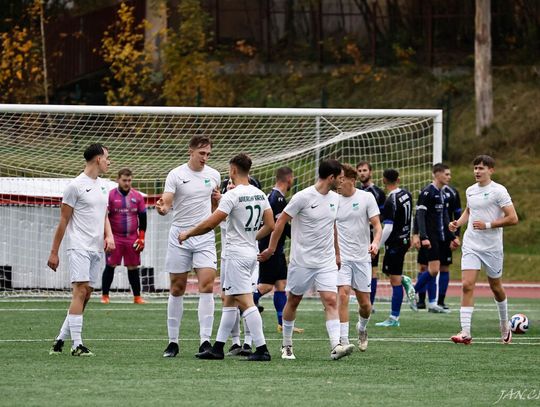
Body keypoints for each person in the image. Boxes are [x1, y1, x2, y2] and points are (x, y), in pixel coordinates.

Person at [180, 153, 275, 361]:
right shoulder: (259, 194)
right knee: (230, 300)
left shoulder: (232, 195)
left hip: (236, 255)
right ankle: (218, 347)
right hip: (251, 253)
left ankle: (262, 349)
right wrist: (252, 237)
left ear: (233, 170)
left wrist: (188, 233)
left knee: (246, 302)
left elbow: (210, 223)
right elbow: (271, 224)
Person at [259, 159, 354, 361]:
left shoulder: (335, 199)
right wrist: (271, 249)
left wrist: (337, 253)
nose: (342, 181)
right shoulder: (302, 197)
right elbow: (281, 221)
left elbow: (333, 226)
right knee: (293, 301)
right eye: (340, 178)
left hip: (326, 261)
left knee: (330, 299)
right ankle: (286, 345)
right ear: (331, 177)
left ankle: (335, 346)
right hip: (302, 261)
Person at [156, 135, 221, 358]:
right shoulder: (176, 174)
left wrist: (217, 201)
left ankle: (205, 341)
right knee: (177, 288)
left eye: (208, 154)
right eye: (202, 153)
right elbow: (167, 199)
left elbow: (214, 205)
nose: (205, 158)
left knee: (207, 285)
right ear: (191, 151)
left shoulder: (214, 175)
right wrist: (163, 208)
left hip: (204, 236)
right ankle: (173, 342)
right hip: (179, 236)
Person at [48, 143, 115, 356]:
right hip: (78, 246)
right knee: (80, 291)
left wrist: (109, 235)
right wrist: (54, 252)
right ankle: (77, 345)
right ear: (97, 159)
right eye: (107, 157)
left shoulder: (104, 186)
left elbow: (103, 215)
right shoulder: (74, 186)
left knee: (86, 295)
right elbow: (63, 220)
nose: (109, 161)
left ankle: (60, 339)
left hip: (96, 249)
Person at [449, 155, 518, 345]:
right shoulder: (470, 190)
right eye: (475, 168)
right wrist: (457, 223)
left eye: (481, 168)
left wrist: (488, 224)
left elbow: (513, 218)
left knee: (495, 287)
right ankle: (465, 332)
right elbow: (469, 211)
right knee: (466, 284)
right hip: (471, 244)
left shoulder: (499, 191)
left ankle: (505, 324)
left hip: (492, 247)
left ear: (491, 170)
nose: (477, 172)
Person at [336, 164, 382, 351]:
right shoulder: (333, 200)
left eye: (341, 179)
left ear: (351, 180)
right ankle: (343, 340)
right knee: (343, 294)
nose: (338, 183)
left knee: (365, 305)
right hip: (342, 259)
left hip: (362, 258)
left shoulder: (366, 197)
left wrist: (376, 243)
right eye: (337, 179)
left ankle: (362, 328)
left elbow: (377, 226)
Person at [253, 166, 303, 334]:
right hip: (271, 249)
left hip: (276, 249)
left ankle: (282, 323)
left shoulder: (274, 196)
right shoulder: (278, 199)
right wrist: (270, 248)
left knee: (281, 284)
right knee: (266, 286)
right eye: (292, 178)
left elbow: (283, 225)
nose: (293, 181)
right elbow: (277, 226)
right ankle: (243, 305)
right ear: (288, 179)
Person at [412, 163, 459, 314]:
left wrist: (452, 236)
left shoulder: (441, 193)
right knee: (432, 270)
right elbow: (420, 215)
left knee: (435, 270)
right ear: (437, 174)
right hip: (430, 237)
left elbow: (445, 218)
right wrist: (422, 236)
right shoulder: (427, 192)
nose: (449, 177)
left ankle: (431, 303)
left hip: (441, 237)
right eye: (446, 174)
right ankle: (412, 292)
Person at [101, 168, 147, 304]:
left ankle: (137, 297)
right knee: (111, 265)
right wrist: (106, 236)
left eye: (129, 180)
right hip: (115, 237)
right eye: (124, 180)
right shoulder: (110, 196)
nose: (127, 183)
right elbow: (104, 217)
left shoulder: (137, 196)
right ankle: (105, 296)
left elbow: (143, 218)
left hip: (132, 237)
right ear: (118, 180)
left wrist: (142, 237)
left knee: (133, 267)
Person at [375, 169, 413, 327]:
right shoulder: (406, 194)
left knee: (394, 280)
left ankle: (394, 318)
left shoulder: (391, 201)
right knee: (388, 271)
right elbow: (410, 217)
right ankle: (403, 278)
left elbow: (388, 228)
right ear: (398, 179)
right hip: (404, 240)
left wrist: (377, 244)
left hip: (395, 243)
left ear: (384, 180)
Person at [356, 161, 386, 310]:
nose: (362, 173)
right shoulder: (355, 192)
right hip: (355, 238)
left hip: (371, 237)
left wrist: (376, 240)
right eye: (360, 170)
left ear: (370, 172)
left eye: (365, 170)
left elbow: (380, 218)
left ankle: (370, 303)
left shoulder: (378, 193)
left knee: (371, 270)